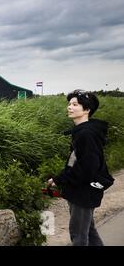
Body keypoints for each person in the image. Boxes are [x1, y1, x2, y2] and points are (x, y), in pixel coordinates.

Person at [47, 89, 109, 245]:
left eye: (75, 104)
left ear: (87, 110)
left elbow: (87, 168)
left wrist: (62, 179)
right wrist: (59, 178)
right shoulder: (81, 132)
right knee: (88, 231)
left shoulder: (86, 134)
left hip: (84, 191)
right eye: (69, 104)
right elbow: (75, 161)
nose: (69, 107)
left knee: (79, 235)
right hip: (80, 189)